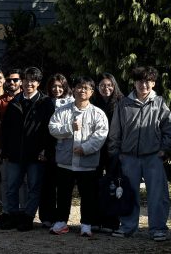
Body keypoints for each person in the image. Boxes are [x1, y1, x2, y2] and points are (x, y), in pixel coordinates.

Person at [108, 66, 171, 241]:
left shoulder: (160, 102)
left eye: (147, 81)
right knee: (128, 193)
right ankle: (128, 226)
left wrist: (165, 149)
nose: (143, 85)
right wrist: (116, 152)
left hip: (153, 156)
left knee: (157, 194)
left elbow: (169, 129)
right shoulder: (123, 103)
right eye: (140, 81)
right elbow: (115, 131)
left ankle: (158, 228)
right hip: (128, 156)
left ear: (153, 83)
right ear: (134, 82)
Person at [47, 78, 109, 236]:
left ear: (91, 92)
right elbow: (52, 128)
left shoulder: (98, 113)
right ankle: (61, 222)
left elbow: (101, 135)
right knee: (63, 194)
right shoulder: (62, 110)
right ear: (73, 90)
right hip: (65, 161)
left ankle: (86, 224)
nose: (82, 91)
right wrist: (69, 128)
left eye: (86, 88)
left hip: (87, 163)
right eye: (79, 87)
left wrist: (85, 148)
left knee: (88, 195)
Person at [0, 67, 55, 232]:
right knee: (11, 186)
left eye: (33, 80)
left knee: (33, 187)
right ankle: (12, 215)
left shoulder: (45, 103)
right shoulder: (14, 102)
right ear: (21, 82)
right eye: (26, 80)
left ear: (38, 83)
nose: (29, 83)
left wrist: (45, 149)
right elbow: (6, 129)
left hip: (36, 153)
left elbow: (49, 129)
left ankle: (28, 217)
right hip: (15, 153)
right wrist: (5, 150)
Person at [89, 73, 124, 233]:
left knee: (113, 185)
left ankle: (111, 221)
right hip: (95, 149)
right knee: (93, 185)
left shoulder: (121, 103)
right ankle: (94, 219)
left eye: (109, 85)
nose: (106, 88)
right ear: (97, 87)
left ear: (114, 85)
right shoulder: (91, 102)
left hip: (114, 150)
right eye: (102, 85)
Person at [38, 73, 72, 228]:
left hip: (66, 148)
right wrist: (43, 148)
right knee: (48, 184)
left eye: (60, 86)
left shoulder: (72, 102)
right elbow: (41, 127)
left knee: (63, 185)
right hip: (49, 147)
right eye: (54, 86)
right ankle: (47, 216)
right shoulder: (44, 102)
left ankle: (61, 218)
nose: (57, 89)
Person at [0, 69, 21, 225]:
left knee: (24, 182)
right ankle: (6, 211)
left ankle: (21, 213)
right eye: (9, 80)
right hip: (4, 147)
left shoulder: (27, 99)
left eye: (15, 80)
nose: (12, 83)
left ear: (21, 81)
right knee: (5, 181)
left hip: (23, 148)